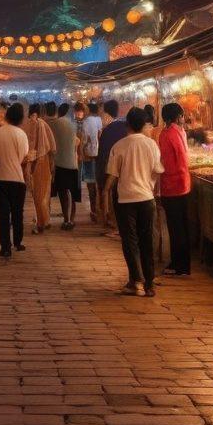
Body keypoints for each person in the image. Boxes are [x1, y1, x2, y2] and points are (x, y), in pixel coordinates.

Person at [106, 108, 164, 297]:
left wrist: (104, 194)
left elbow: (112, 176)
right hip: (146, 198)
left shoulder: (119, 146)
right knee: (147, 240)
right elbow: (157, 171)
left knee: (130, 241)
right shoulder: (151, 145)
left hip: (125, 200)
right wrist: (151, 188)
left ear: (128, 124)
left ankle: (136, 282)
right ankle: (149, 284)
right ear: (144, 125)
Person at [0, 102, 30, 258]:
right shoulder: (21, 134)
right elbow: (24, 156)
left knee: (3, 214)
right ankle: (18, 242)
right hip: (18, 178)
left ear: (7, 115)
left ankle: (5, 247)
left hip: (1, 178)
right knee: (18, 212)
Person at [158, 103, 192, 276]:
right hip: (183, 184)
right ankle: (182, 264)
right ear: (178, 117)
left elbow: (171, 160)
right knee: (182, 226)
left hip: (172, 185)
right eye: (182, 115)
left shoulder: (167, 133)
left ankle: (179, 265)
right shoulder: (179, 132)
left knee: (175, 227)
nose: (183, 118)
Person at [23, 103, 57, 233]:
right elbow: (52, 146)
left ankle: (41, 224)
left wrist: (28, 164)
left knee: (38, 194)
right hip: (45, 160)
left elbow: (31, 146)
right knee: (44, 193)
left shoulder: (33, 124)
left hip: (36, 161)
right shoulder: (44, 124)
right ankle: (45, 220)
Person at [96, 100, 128, 234]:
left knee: (111, 196)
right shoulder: (125, 127)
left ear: (106, 113)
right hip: (126, 171)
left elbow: (103, 154)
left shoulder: (107, 130)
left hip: (111, 170)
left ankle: (111, 223)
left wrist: (100, 175)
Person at [50, 103, 80, 230]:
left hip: (60, 163)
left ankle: (66, 219)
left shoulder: (54, 124)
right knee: (72, 193)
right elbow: (78, 141)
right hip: (73, 163)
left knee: (63, 193)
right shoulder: (74, 124)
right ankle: (71, 220)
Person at [79, 102, 102, 220]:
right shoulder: (99, 120)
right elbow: (100, 135)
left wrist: (81, 152)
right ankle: (100, 209)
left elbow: (84, 140)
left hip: (88, 155)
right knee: (99, 184)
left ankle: (93, 210)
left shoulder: (86, 122)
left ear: (88, 110)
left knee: (91, 184)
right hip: (99, 155)